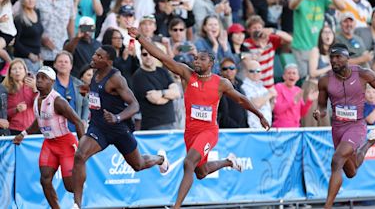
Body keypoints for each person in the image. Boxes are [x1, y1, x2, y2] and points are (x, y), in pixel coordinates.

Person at [128, 27, 270, 209]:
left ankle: (176, 206)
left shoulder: (221, 83)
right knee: (200, 172)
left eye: (201, 59)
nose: (196, 61)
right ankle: (229, 161)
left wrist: (259, 115)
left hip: (209, 131)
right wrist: (140, 37)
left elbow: (241, 100)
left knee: (188, 162)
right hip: (190, 132)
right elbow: (162, 58)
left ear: (210, 63)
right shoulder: (187, 75)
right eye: (195, 58)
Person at [72, 45, 168, 208]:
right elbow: (102, 94)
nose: (94, 57)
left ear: (108, 62)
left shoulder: (116, 78)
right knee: (80, 156)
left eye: (99, 56)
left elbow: (134, 105)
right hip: (98, 127)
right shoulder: (95, 73)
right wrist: (88, 90)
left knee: (138, 165)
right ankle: (77, 204)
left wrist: (117, 118)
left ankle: (160, 159)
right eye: (95, 54)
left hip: (118, 128)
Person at [313, 43, 375, 209]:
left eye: (338, 57)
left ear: (347, 58)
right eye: (331, 57)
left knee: (336, 160)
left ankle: (327, 206)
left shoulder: (363, 74)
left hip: (356, 126)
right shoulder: (325, 80)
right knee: (351, 172)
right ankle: (370, 142)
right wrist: (319, 113)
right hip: (338, 128)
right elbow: (321, 106)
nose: (334, 60)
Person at [12, 66, 84, 209]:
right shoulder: (37, 99)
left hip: (65, 142)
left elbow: (78, 122)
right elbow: (38, 122)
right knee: (45, 180)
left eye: (43, 78)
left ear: (52, 82)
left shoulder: (58, 101)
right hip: (49, 144)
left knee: (69, 185)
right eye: (38, 77)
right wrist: (23, 134)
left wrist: (82, 149)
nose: (39, 80)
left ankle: (77, 203)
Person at [3, 59, 37, 135]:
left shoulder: (32, 87)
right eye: (14, 69)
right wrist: (16, 110)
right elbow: (3, 113)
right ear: (10, 74)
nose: (17, 71)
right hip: (14, 129)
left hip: (32, 129)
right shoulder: (5, 90)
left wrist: (35, 88)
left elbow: (40, 105)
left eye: (20, 68)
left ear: (25, 71)